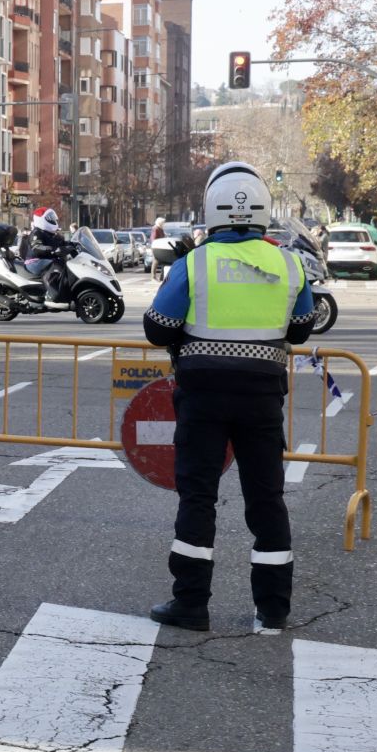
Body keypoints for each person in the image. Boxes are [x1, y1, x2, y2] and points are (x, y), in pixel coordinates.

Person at [142, 161, 315, 634]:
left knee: (198, 497)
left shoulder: (193, 263)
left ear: (211, 208)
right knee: (266, 500)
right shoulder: (288, 262)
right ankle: (274, 608)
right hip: (262, 399)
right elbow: (301, 328)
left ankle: (191, 603)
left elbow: (158, 329)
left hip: (202, 397)